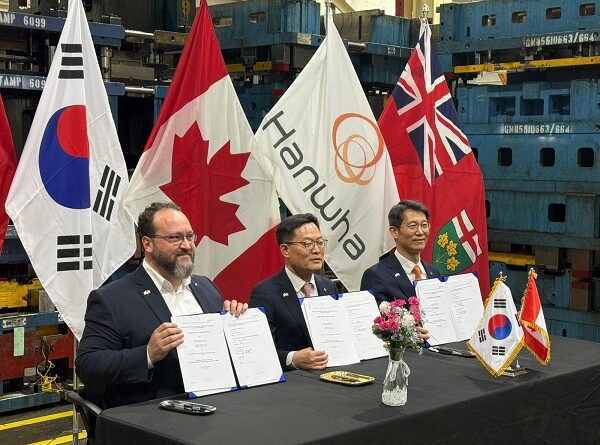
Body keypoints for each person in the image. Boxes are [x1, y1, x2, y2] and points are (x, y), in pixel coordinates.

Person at [76, 202, 247, 409]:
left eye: (190, 236)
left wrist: (234, 322)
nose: (187, 245)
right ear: (147, 244)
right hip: (156, 415)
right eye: (175, 238)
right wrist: (147, 354)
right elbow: (88, 365)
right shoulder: (111, 298)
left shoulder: (206, 287)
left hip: (218, 404)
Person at [249, 213, 337, 371]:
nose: (317, 250)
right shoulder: (265, 293)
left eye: (320, 242)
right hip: (294, 383)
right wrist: (293, 358)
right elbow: (260, 352)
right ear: (285, 250)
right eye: (307, 244)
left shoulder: (328, 286)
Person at [361, 200, 441, 304]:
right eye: (412, 226)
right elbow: (376, 319)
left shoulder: (434, 272)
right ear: (394, 232)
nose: (420, 232)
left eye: (424, 225)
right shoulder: (376, 275)